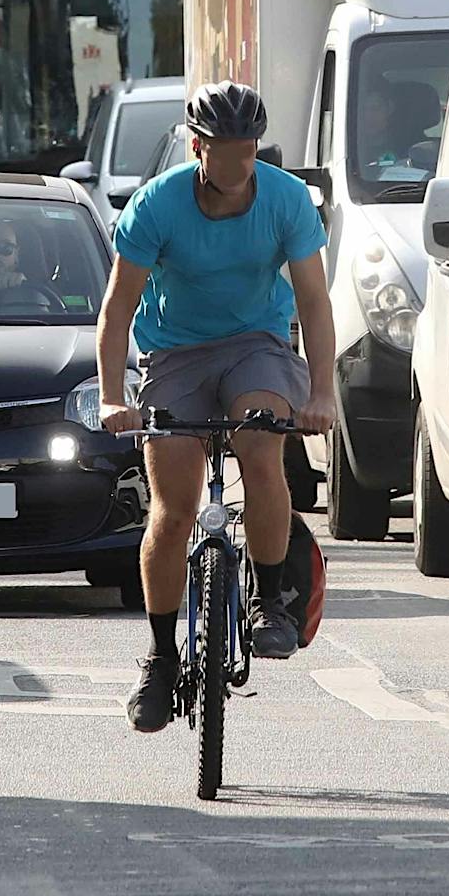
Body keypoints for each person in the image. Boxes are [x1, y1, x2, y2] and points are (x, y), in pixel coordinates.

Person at [96, 81, 337, 733]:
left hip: (257, 344)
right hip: (175, 354)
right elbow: (117, 310)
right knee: (173, 510)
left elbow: (314, 303)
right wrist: (114, 396)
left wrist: (321, 393)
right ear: (198, 147)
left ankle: (269, 602)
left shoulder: (285, 199)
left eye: (247, 148)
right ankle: (159, 656)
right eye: (224, 148)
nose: (237, 162)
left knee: (261, 447)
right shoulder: (157, 205)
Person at [0, 217, 61, 311]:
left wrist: (27, 289)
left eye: (5, 247)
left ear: (16, 254)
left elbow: (67, 307)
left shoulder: (48, 294)